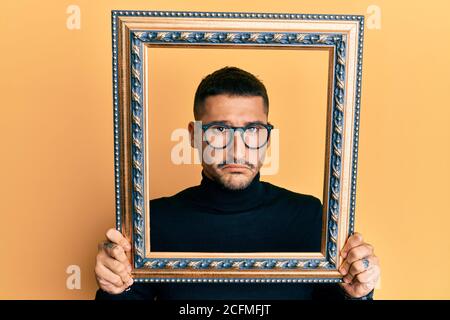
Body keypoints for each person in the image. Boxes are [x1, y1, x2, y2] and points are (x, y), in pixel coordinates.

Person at [95, 66, 380, 300]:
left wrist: (358, 294)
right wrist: (114, 289)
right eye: (220, 129)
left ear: (268, 136)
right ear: (194, 136)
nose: (237, 149)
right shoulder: (151, 221)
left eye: (253, 130)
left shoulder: (309, 216)